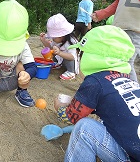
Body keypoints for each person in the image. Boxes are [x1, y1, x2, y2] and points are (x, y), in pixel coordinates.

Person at [54, 25, 140, 162]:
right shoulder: (129, 81)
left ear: (88, 57)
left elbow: (70, 117)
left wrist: (59, 107)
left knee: (85, 128)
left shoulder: (95, 82)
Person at [91, 0, 140, 83]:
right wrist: (101, 14)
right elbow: (117, 3)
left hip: (136, 30)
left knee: (126, 62)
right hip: (119, 29)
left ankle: (135, 93)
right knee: (113, 60)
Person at [40, 13, 78, 80]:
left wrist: (59, 53)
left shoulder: (71, 42)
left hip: (71, 62)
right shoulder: (57, 40)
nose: (52, 39)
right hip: (61, 59)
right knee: (54, 50)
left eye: (53, 37)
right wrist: (43, 40)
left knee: (65, 55)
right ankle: (58, 63)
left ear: (61, 35)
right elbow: (50, 48)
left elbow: (72, 57)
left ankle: (71, 72)